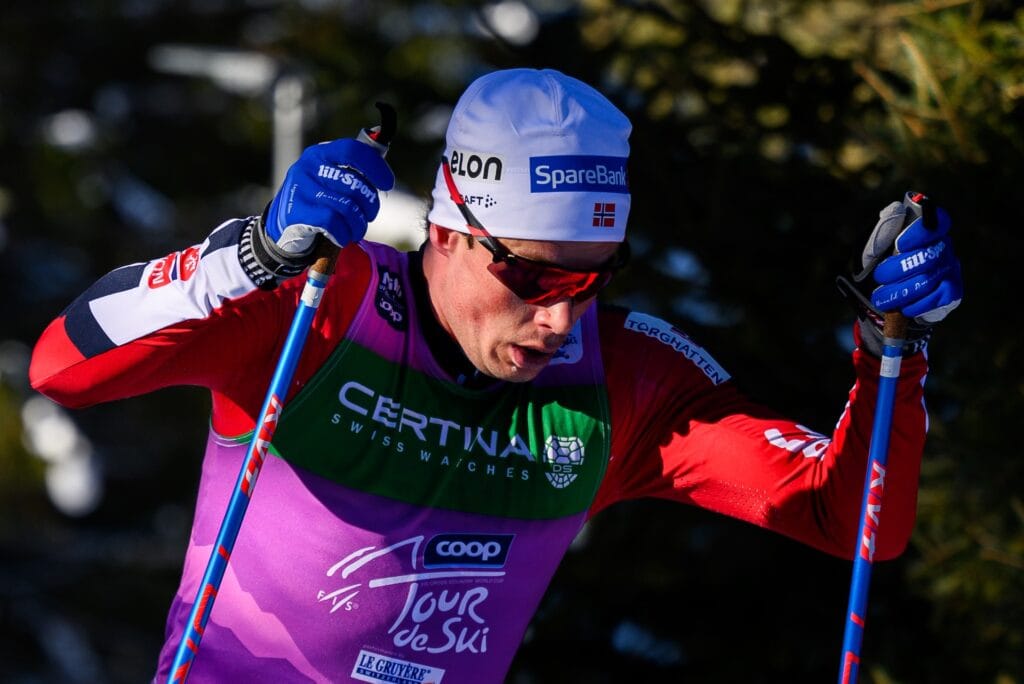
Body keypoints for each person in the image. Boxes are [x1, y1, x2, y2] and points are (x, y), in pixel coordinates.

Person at [29, 68, 963, 683]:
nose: (560, 319)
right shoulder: (323, 304)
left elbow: (849, 518)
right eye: (532, 277)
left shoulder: (623, 380)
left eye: (591, 282)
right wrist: (252, 256)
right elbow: (62, 368)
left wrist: (895, 348)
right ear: (446, 229)